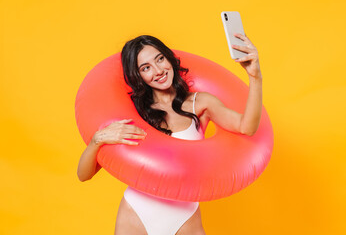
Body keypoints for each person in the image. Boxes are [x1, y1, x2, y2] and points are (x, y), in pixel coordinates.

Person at [77, 34, 262, 235]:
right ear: (137, 76)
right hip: (136, 213)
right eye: (145, 68)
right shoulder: (135, 113)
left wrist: (255, 77)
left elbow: (246, 127)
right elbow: (83, 175)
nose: (158, 71)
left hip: (185, 218)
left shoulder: (199, 103)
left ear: (169, 58)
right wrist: (97, 140)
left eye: (159, 59)